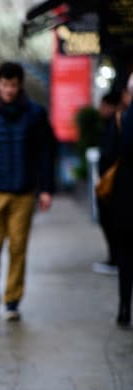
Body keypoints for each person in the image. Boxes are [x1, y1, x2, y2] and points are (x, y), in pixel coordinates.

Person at [0, 61, 55, 321]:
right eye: (4, 85)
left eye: (13, 85)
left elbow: (46, 153)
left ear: (19, 85)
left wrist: (46, 189)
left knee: (19, 246)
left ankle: (13, 300)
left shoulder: (36, 115)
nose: (8, 89)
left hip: (24, 190)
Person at [95, 87, 128, 276]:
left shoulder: (119, 122)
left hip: (116, 183)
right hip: (111, 182)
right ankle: (115, 259)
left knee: (114, 223)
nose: (101, 109)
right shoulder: (111, 123)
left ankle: (116, 260)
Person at [110, 73, 133, 327]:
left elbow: (111, 153)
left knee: (126, 256)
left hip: (125, 198)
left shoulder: (122, 119)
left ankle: (125, 305)